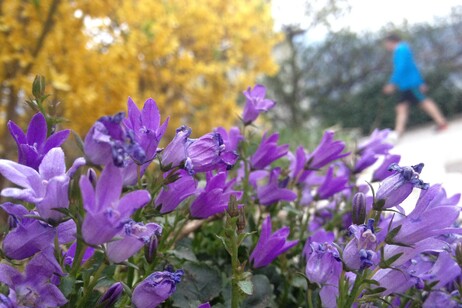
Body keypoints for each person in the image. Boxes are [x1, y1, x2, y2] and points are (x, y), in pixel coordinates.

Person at [383, 33, 448, 137]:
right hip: (405, 84)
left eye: (387, 43)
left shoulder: (401, 50)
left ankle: (441, 122)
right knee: (401, 107)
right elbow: (412, 66)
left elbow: (401, 67)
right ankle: (398, 131)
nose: (386, 46)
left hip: (409, 84)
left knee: (424, 102)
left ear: (392, 41)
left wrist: (392, 83)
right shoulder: (403, 49)